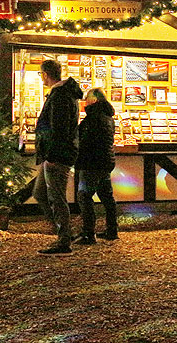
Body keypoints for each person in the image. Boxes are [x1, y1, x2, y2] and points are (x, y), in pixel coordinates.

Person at [33, 59, 83, 255]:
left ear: (45, 74)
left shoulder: (60, 96)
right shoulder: (63, 94)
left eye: (41, 75)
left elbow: (59, 128)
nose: (41, 78)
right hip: (55, 153)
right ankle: (63, 233)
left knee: (56, 196)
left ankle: (64, 241)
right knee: (41, 193)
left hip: (57, 155)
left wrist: (52, 153)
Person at [74, 87, 118, 245]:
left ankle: (88, 233)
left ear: (95, 100)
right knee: (107, 196)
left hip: (92, 162)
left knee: (84, 196)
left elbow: (85, 142)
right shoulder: (108, 117)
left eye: (88, 98)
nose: (85, 101)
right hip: (106, 161)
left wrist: (78, 158)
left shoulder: (93, 118)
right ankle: (112, 229)